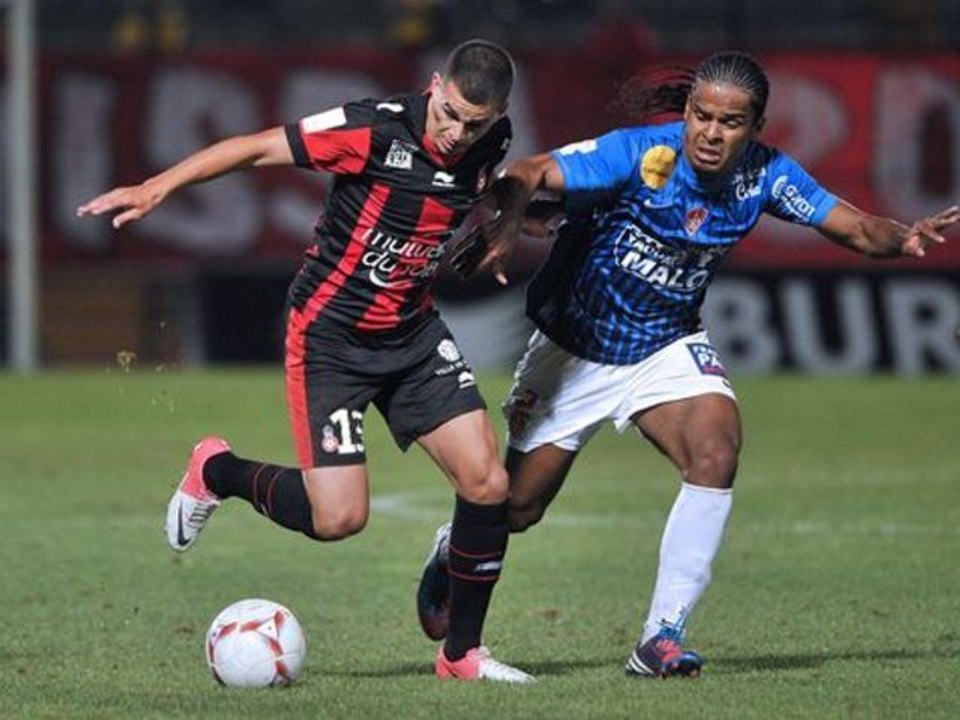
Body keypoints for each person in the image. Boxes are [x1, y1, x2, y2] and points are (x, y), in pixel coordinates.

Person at [416, 50, 959, 678]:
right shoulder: (642, 153)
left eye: (730, 122)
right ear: (688, 113)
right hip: (573, 353)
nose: (710, 132)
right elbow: (530, 171)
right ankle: (450, 549)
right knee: (516, 510)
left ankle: (660, 637)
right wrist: (508, 222)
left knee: (716, 449)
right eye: (701, 116)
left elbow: (859, 229)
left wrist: (905, 238)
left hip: (665, 346)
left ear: (754, 128)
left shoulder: (768, 176)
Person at [77, 39, 535, 684]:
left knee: (488, 485)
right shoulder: (371, 129)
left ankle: (460, 654)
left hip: (412, 335)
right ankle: (219, 470)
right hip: (332, 342)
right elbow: (255, 146)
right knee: (339, 519)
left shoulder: (492, 138)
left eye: (476, 122)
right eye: (451, 113)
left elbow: (504, 184)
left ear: (499, 115)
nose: (459, 133)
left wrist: (508, 220)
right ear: (435, 87)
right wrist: (157, 188)